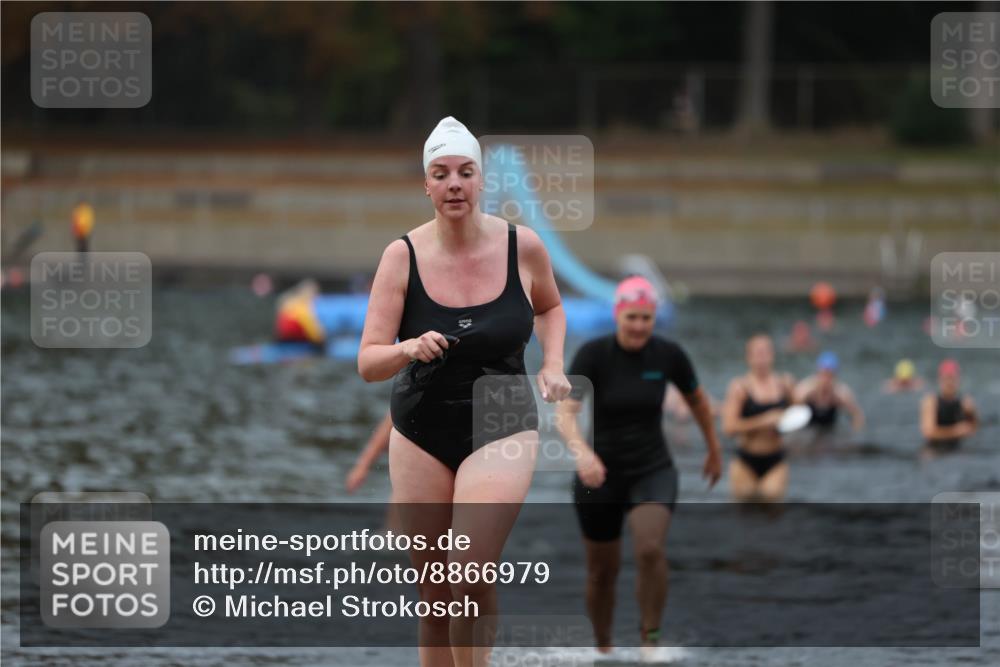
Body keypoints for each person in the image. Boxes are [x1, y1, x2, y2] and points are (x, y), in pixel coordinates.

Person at [357, 116, 571, 667]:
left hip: (502, 417)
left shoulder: (522, 247)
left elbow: (549, 306)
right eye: (441, 173)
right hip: (422, 427)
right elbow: (368, 361)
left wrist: (552, 364)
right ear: (425, 186)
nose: (454, 183)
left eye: (465, 172)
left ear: (480, 182)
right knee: (434, 600)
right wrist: (407, 348)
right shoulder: (400, 256)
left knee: (468, 572)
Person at [556, 276, 722, 658]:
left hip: (653, 468)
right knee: (602, 571)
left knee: (649, 549)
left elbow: (697, 401)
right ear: (618, 315)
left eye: (646, 318)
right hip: (599, 473)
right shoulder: (593, 355)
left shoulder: (668, 355)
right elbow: (565, 413)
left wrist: (714, 449)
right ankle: (603, 648)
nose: (639, 326)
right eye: (632, 317)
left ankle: (650, 640)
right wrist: (582, 452)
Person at [722, 334, 796, 502]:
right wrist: (763, 421)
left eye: (765, 353)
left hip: (775, 459)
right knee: (745, 515)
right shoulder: (739, 387)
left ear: (773, 355)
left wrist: (790, 415)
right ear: (748, 357)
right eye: (757, 353)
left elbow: (799, 414)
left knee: (771, 508)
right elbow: (728, 428)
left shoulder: (785, 384)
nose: (762, 358)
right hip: (746, 460)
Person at [793, 352, 865, 433]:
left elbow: (857, 415)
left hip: (830, 427)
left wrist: (855, 432)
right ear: (818, 373)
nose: (825, 380)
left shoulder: (841, 393)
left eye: (829, 376)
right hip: (809, 428)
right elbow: (792, 413)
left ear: (835, 376)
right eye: (823, 374)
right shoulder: (805, 390)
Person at [920, 360, 978, 458]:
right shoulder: (931, 402)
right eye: (946, 378)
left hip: (958, 449)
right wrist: (955, 432)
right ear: (940, 380)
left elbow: (973, 430)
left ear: (958, 380)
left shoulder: (964, 402)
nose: (949, 383)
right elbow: (928, 432)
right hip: (935, 450)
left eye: (953, 379)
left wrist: (972, 414)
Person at [274, 278, 325, 348]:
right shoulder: (301, 307)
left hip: (283, 342)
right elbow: (316, 335)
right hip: (296, 344)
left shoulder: (288, 301)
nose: (317, 297)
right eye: (315, 294)